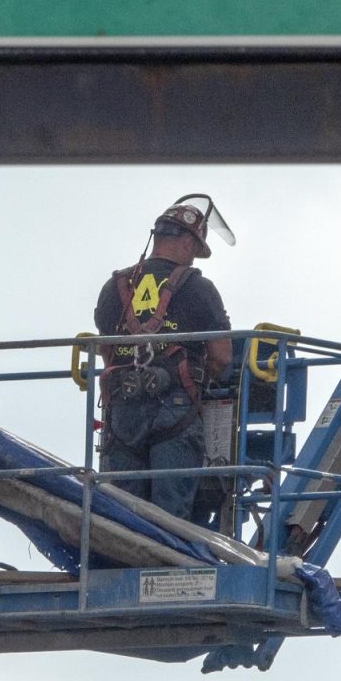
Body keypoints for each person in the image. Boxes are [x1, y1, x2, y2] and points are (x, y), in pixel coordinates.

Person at [93, 195, 233, 523]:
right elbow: (222, 357)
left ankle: (124, 566)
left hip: (121, 411)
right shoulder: (200, 289)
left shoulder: (113, 288)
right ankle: (167, 571)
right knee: (171, 523)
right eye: (195, 251)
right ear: (187, 242)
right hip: (175, 412)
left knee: (123, 519)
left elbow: (106, 350)